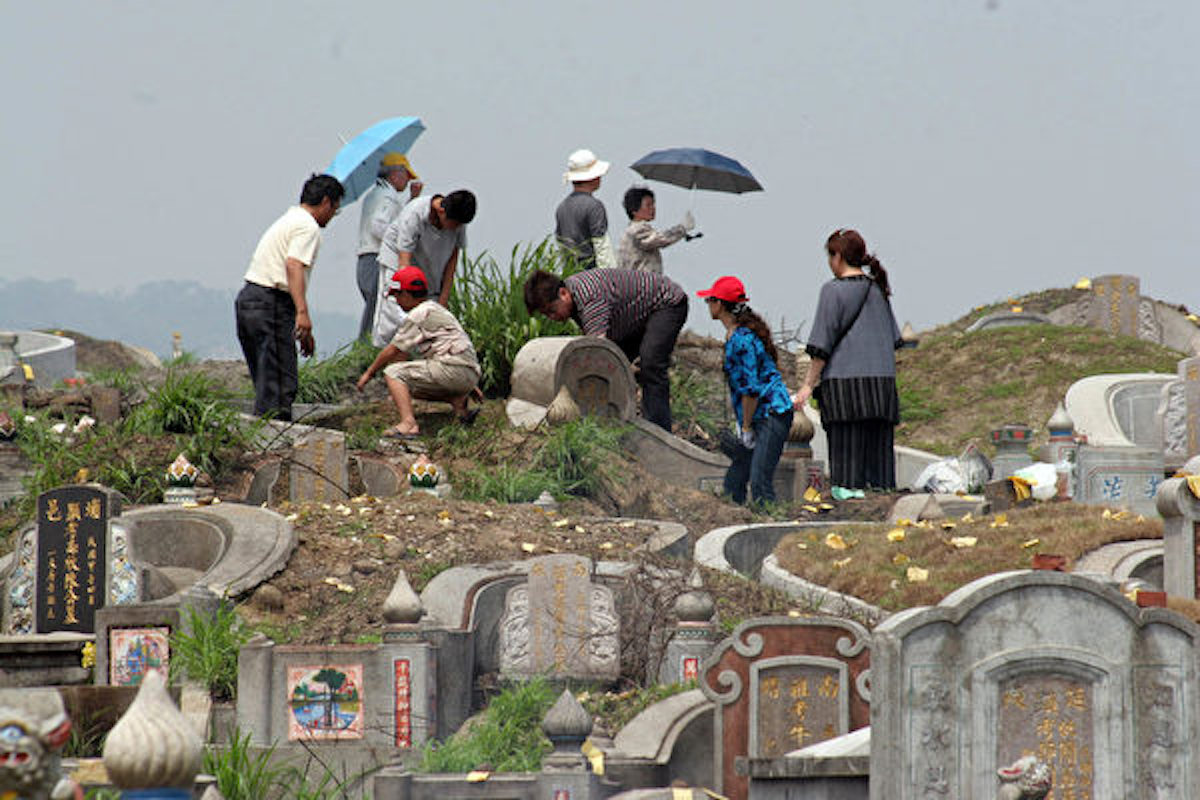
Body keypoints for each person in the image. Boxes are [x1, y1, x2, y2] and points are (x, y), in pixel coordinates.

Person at [792, 229, 902, 492]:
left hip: (845, 388)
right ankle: (882, 512)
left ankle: (850, 512)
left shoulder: (832, 291)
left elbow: (821, 346)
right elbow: (894, 340)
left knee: (847, 469)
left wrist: (808, 385)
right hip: (883, 387)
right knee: (881, 468)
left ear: (838, 257)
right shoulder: (878, 289)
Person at [235, 173, 343, 421]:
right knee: (280, 384)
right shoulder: (308, 227)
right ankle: (274, 442)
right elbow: (293, 265)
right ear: (326, 202)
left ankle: (262, 431)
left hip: (250, 298)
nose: (332, 217)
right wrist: (303, 313)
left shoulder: (289, 219)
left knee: (266, 379)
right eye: (335, 210)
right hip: (271, 300)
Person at [524, 268, 687, 431]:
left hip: (666, 304)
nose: (552, 317)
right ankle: (611, 424)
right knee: (617, 367)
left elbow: (598, 354)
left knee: (651, 364)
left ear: (563, 293)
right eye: (546, 314)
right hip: (633, 315)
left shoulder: (589, 299)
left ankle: (658, 430)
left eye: (552, 310)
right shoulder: (574, 298)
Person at [699, 275, 794, 505]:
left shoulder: (741, 340)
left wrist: (745, 427)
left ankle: (771, 524)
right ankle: (738, 517)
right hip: (759, 415)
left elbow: (751, 390)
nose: (708, 305)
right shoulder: (736, 335)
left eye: (710, 300)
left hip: (771, 414)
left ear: (720, 304)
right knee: (735, 479)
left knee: (760, 480)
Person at [355, 266, 482, 438]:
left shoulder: (419, 314)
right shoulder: (437, 309)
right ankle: (458, 403)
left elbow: (393, 349)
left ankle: (408, 424)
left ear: (407, 294)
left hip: (452, 370)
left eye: (397, 295)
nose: (397, 301)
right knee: (408, 388)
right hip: (468, 372)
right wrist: (468, 383)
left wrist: (368, 374)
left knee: (393, 373)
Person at [356, 153, 422, 339]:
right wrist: (398, 243)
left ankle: (369, 345)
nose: (408, 180)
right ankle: (366, 346)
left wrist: (412, 199)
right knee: (376, 307)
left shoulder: (376, 195)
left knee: (377, 306)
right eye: (406, 175)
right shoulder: (388, 197)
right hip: (375, 259)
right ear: (395, 174)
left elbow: (396, 221)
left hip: (365, 259)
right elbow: (379, 226)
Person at [378, 190, 476, 313]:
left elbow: (452, 262)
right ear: (441, 212)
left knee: (431, 314)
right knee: (394, 310)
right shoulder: (414, 214)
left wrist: (443, 300)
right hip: (397, 262)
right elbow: (404, 261)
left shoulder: (458, 221)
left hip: (428, 268)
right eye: (454, 225)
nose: (456, 228)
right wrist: (408, 296)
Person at [555, 149, 615, 269]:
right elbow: (601, 246)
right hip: (591, 273)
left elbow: (561, 246)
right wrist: (610, 277)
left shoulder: (562, 207)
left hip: (571, 273)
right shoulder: (594, 206)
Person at [617, 186, 695, 273]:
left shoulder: (632, 230)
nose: (653, 208)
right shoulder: (637, 230)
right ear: (634, 210)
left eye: (653, 204)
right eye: (648, 205)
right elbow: (661, 239)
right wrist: (682, 228)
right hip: (640, 284)